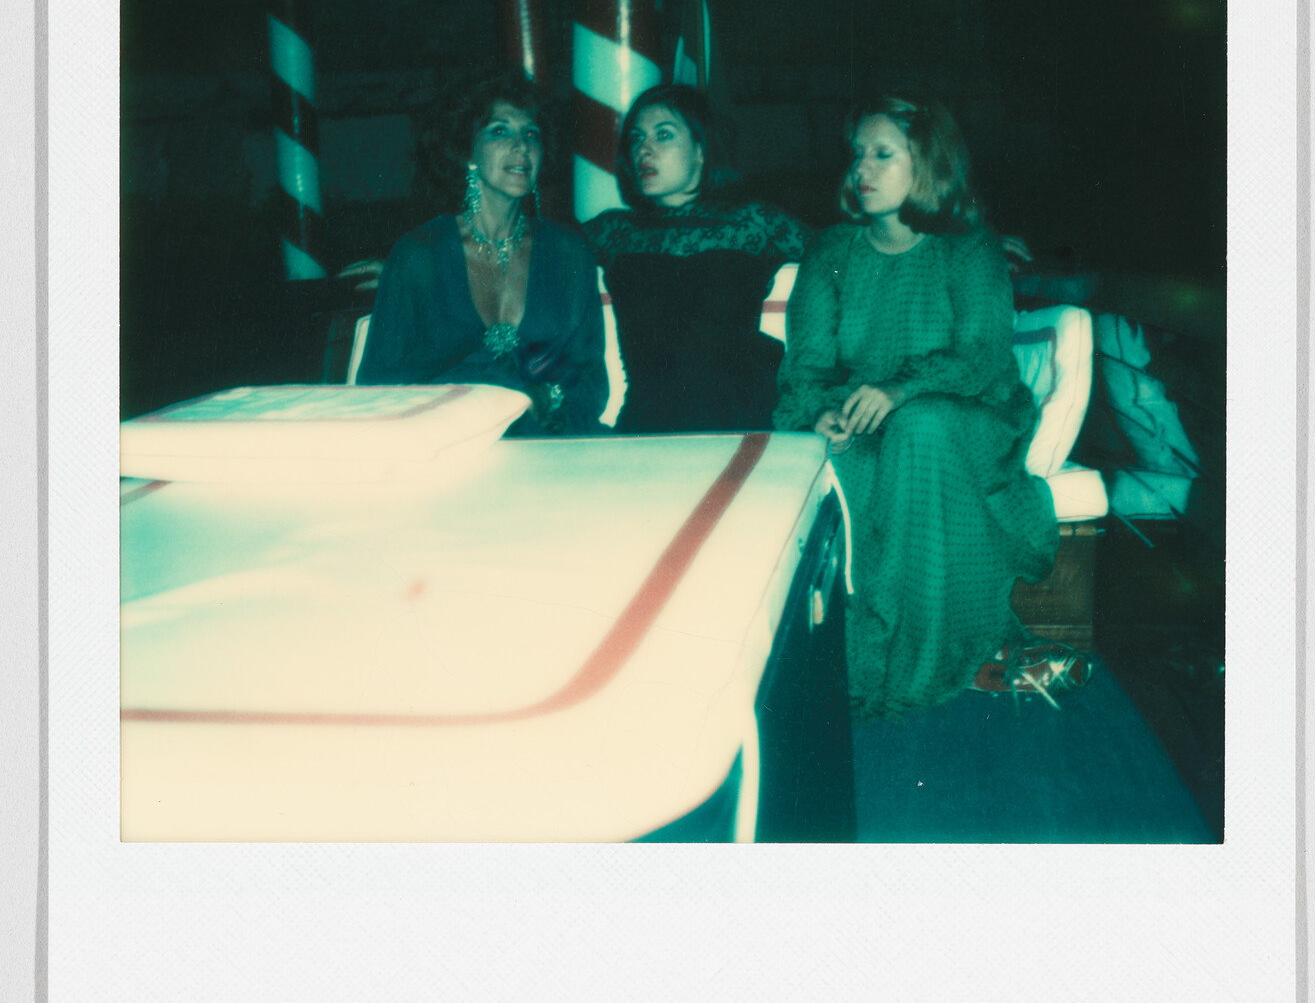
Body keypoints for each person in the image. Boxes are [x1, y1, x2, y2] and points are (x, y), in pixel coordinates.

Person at [774, 90, 1085, 719]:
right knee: (873, 453)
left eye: (883, 154)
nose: (861, 169)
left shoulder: (967, 248)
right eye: (857, 154)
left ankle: (922, 667)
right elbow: (805, 367)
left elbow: (982, 358)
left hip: (970, 414)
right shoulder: (832, 253)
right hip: (870, 426)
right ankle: (925, 653)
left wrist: (899, 389)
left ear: (929, 164)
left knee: (922, 428)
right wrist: (820, 413)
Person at [357, 70, 608, 435]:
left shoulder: (569, 253)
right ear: (467, 150)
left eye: (531, 135)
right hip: (447, 445)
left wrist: (547, 398)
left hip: (553, 441)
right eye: (500, 131)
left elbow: (590, 380)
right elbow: (378, 385)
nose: (521, 147)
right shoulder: (419, 256)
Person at [583, 84, 810, 434]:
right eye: (637, 138)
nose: (644, 149)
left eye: (664, 135)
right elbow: (535, 254)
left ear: (701, 150)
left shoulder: (753, 222)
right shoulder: (614, 231)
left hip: (744, 413)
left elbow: (841, 258)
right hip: (650, 419)